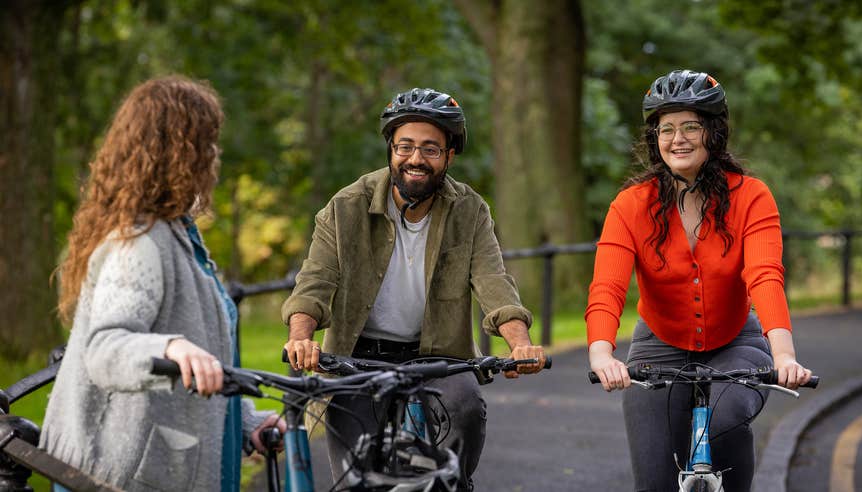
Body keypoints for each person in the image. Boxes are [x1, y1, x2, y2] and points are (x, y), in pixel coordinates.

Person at [282, 87, 547, 490]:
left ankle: (454, 483)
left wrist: (520, 343)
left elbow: (494, 283)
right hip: (358, 357)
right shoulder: (346, 207)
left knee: (465, 408)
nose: (416, 159)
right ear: (390, 149)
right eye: (405, 146)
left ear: (449, 155)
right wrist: (301, 338)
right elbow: (315, 280)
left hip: (439, 357)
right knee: (357, 479)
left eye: (430, 149)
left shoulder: (469, 210)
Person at [40, 75, 284, 492]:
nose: (215, 155)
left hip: (168, 464)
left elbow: (202, 351)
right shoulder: (139, 242)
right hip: (118, 475)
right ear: (178, 153)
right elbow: (105, 347)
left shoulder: (178, 235)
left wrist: (245, 421)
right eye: (206, 143)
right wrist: (168, 346)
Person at [585, 69, 812, 491]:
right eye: (666, 129)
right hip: (658, 346)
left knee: (726, 420)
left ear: (713, 132)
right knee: (653, 481)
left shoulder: (751, 195)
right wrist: (602, 354)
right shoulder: (630, 205)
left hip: (736, 343)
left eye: (691, 126)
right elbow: (607, 286)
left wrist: (783, 356)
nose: (678, 139)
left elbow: (765, 275)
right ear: (655, 139)